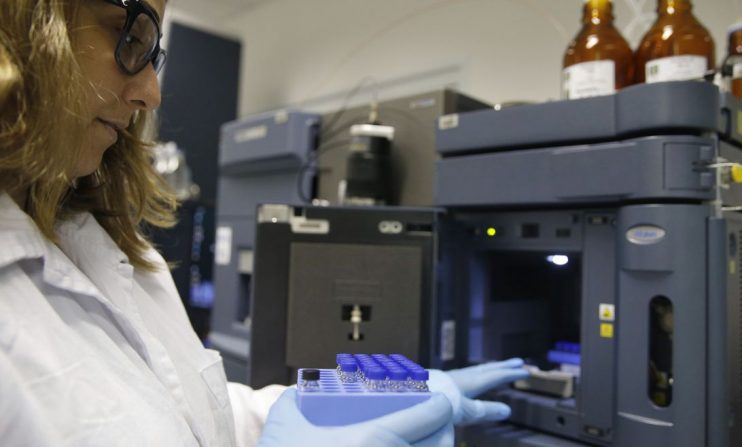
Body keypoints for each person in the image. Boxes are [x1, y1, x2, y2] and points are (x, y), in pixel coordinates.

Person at [0, 1, 529, 446]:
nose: (151, 93)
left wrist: (325, 407)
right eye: (130, 36)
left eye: (153, 53)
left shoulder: (111, 250)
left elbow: (182, 413)